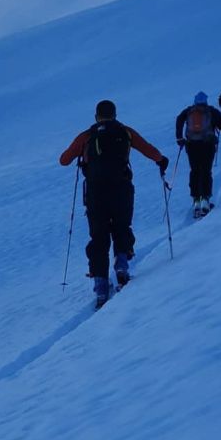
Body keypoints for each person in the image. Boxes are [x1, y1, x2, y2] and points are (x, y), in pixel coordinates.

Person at [59, 100, 168, 307]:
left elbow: (63, 160)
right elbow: (149, 150)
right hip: (121, 188)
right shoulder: (125, 132)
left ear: (96, 116)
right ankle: (122, 266)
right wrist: (161, 160)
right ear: (115, 114)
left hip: (95, 194)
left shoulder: (87, 136)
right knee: (121, 227)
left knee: (98, 236)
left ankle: (100, 284)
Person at [175, 92, 221, 217]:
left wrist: (179, 138)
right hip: (207, 145)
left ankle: (196, 200)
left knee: (194, 171)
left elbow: (179, 119)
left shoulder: (188, 111)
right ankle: (205, 200)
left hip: (191, 145)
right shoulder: (211, 111)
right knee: (206, 171)